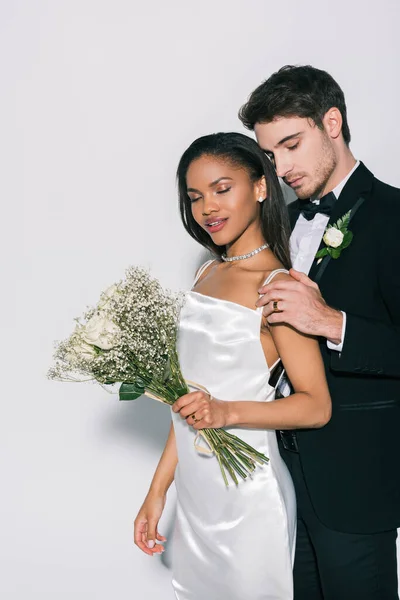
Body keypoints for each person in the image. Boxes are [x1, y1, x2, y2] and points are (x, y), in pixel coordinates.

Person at [133, 132, 331, 600]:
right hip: (198, 495)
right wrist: (158, 489)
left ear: (261, 187)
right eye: (196, 196)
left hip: (249, 498)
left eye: (222, 189)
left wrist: (227, 412)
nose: (207, 208)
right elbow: (190, 401)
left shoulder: (277, 286)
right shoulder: (206, 274)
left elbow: (315, 406)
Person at [239, 65, 400, 600]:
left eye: (291, 144)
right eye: (270, 154)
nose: (281, 167)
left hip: (355, 480)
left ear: (332, 122)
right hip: (278, 474)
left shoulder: (394, 216)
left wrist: (330, 322)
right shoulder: (277, 225)